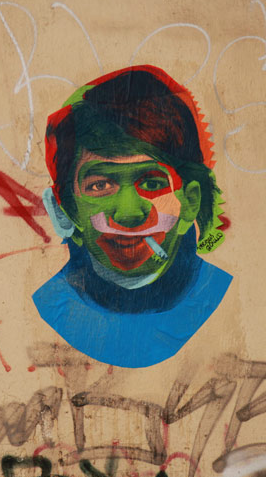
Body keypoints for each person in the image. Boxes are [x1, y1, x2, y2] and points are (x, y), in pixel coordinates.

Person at [32, 65, 231, 368]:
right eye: (100, 185)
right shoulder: (49, 307)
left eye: (152, 184)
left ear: (190, 203)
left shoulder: (222, 299)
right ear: (65, 210)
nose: (128, 213)